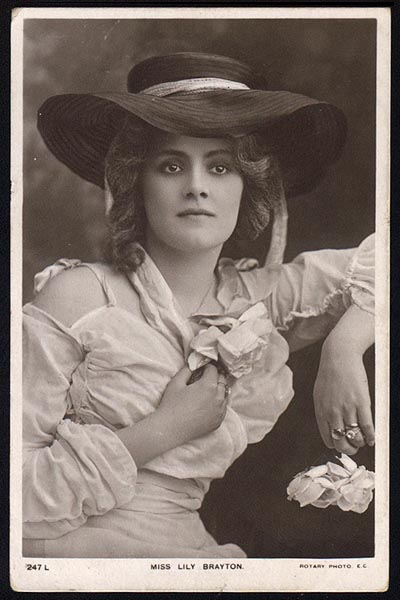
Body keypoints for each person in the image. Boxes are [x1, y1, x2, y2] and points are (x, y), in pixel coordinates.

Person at [23, 52, 375, 558]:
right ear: (136, 181)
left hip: (188, 554)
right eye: (171, 166)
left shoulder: (262, 299)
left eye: (220, 166)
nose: (196, 187)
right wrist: (166, 428)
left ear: (247, 184)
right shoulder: (78, 295)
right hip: (68, 555)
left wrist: (343, 350)